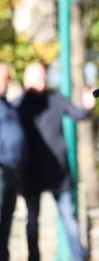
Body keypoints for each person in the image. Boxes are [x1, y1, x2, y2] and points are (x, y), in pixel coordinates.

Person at [16, 62, 94, 261]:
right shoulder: (19, 105)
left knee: (69, 217)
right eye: (37, 78)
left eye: (43, 77)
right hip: (31, 173)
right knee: (32, 221)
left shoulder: (56, 99)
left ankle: (78, 256)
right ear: (26, 80)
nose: (41, 82)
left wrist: (87, 107)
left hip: (57, 172)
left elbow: (78, 114)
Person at [0, 63, 25, 261]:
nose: (7, 82)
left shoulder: (7, 104)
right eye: (4, 77)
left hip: (11, 171)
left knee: (6, 224)